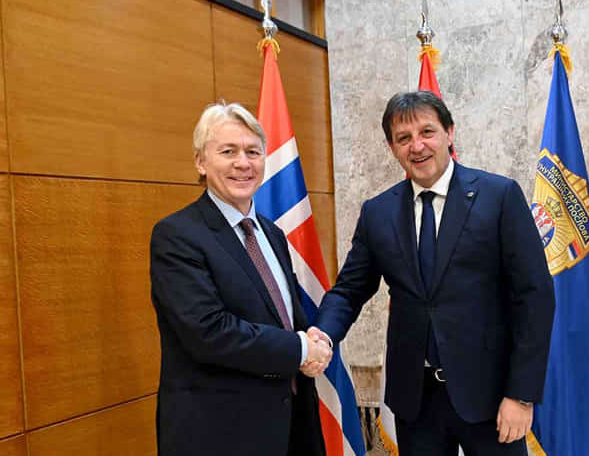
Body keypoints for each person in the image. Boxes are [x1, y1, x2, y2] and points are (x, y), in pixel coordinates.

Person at [310, 91, 555, 455]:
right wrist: (323, 334)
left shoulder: (498, 196)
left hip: (490, 395)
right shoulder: (378, 212)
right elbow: (349, 290)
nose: (417, 146)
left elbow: (534, 297)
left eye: (427, 132)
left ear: (449, 132)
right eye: (403, 138)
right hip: (416, 401)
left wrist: (521, 395)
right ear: (392, 147)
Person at [150, 103, 329, 456]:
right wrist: (299, 349)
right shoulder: (177, 235)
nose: (243, 163)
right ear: (201, 162)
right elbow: (209, 332)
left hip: (292, 425)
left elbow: (283, 317)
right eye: (228, 151)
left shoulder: (273, 234)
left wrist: (310, 338)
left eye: (252, 152)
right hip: (221, 434)